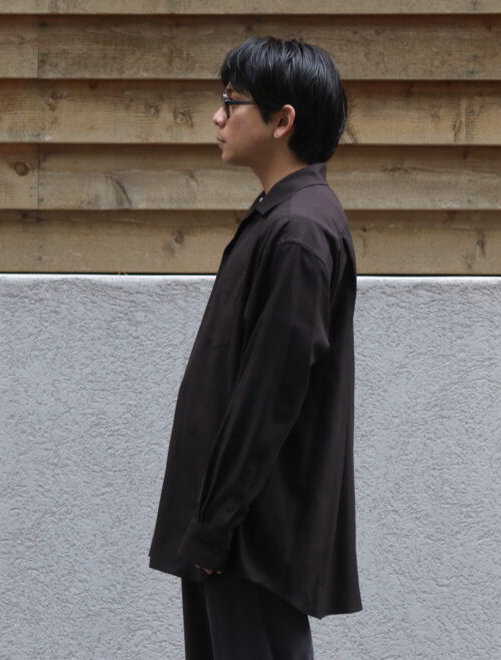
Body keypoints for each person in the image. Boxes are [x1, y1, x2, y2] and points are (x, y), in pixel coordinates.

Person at [148, 36, 362, 659]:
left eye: (231, 102)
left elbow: (270, 399)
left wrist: (215, 527)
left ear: (281, 121)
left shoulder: (299, 232)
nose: (217, 117)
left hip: (250, 542)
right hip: (233, 535)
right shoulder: (280, 218)